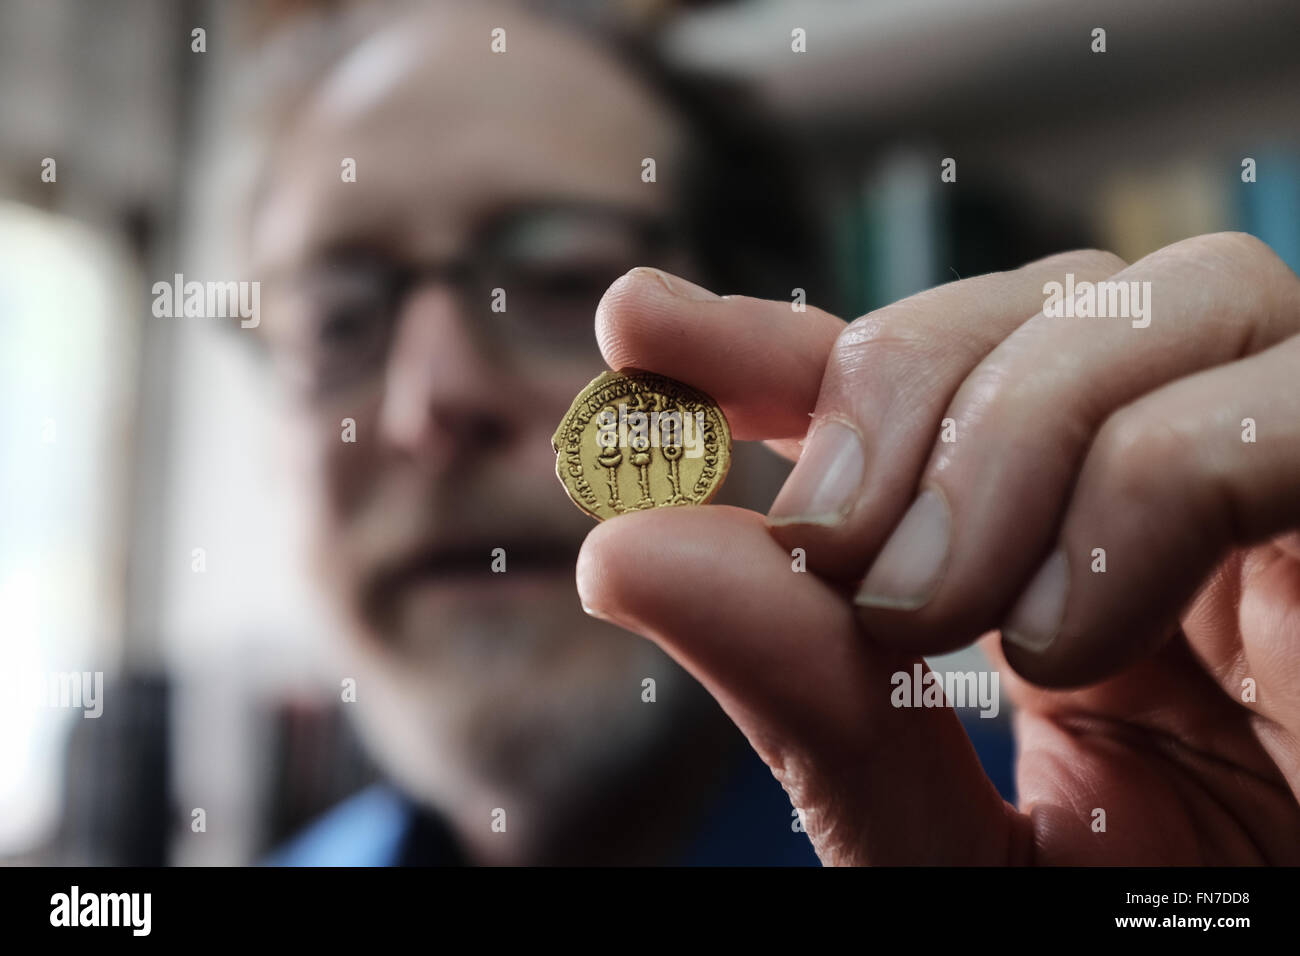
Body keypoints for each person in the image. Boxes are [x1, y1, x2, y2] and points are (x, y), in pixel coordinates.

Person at [247, 0, 827, 865]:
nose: (430, 405)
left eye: (560, 277)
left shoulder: (1040, 833)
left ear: (773, 385)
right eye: (337, 318)